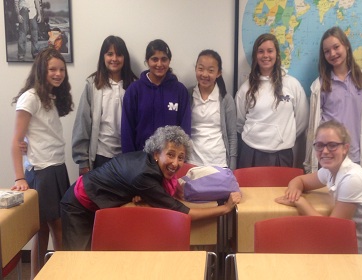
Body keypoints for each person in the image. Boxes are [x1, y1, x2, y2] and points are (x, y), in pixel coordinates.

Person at [61, 126, 242, 251]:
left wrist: (141, 194)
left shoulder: (149, 164)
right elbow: (184, 213)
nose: (176, 163)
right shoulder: (144, 177)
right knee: (77, 262)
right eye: (170, 155)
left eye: (181, 157)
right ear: (156, 153)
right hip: (78, 205)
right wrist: (224, 208)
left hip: (98, 202)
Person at [276, 120, 362, 271]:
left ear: (345, 148)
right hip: (361, 256)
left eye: (332, 145)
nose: (325, 151)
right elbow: (299, 180)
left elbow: (333, 230)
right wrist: (294, 190)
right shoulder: (330, 169)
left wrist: (301, 203)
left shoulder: (352, 179)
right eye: (319, 145)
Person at [11, 48, 74, 277]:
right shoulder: (30, 97)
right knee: (53, 227)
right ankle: (60, 273)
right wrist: (19, 177)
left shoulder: (51, 97)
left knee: (47, 229)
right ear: (41, 70)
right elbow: (16, 141)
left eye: (61, 70)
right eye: (52, 69)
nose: (58, 74)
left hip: (57, 167)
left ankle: (45, 274)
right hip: (42, 171)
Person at [304, 26, 362, 173]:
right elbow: (313, 126)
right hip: (329, 155)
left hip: (355, 155)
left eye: (336, 47)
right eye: (327, 51)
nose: (332, 54)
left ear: (346, 45)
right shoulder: (319, 85)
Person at [236, 33, 308, 168]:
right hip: (250, 151)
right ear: (255, 56)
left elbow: (301, 121)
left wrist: (284, 136)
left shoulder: (292, 85)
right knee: (248, 190)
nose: (265, 55)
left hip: (282, 154)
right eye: (261, 51)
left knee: (281, 190)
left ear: (277, 54)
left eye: (270, 51)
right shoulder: (246, 88)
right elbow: (239, 122)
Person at [72, 36, 137, 176]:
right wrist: (83, 161)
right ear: (103, 56)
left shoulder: (135, 85)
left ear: (125, 58)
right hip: (100, 155)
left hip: (127, 156)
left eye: (119, 54)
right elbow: (82, 123)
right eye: (110, 54)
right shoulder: (93, 84)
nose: (114, 58)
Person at [121, 39, 191, 153]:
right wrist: (130, 162)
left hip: (172, 160)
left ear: (169, 61)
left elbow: (185, 131)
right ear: (147, 61)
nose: (159, 64)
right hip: (141, 159)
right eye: (154, 59)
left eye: (164, 59)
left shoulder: (180, 91)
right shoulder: (134, 90)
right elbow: (127, 130)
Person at [189, 49, 237, 169]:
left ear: (218, 73)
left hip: (219, 161)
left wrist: (233, 165)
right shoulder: (187, 95)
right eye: (200, 69)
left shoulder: (226, 99)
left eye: (211, 70)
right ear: (195, 69)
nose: (204, 74)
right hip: (191, 160)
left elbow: (232, 135)